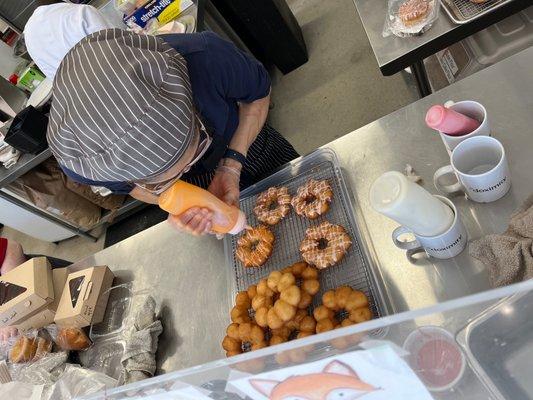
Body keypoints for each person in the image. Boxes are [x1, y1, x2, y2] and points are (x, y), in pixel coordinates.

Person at [25, 5, 299, 237]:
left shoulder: (204, 57)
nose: (184, 170)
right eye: (157, 180)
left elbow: (258, 96)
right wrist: (173, 200)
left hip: (245, 141)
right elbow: (131, 187)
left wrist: (231, 166)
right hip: (193, 187)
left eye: (195, 147)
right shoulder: (82, 158)